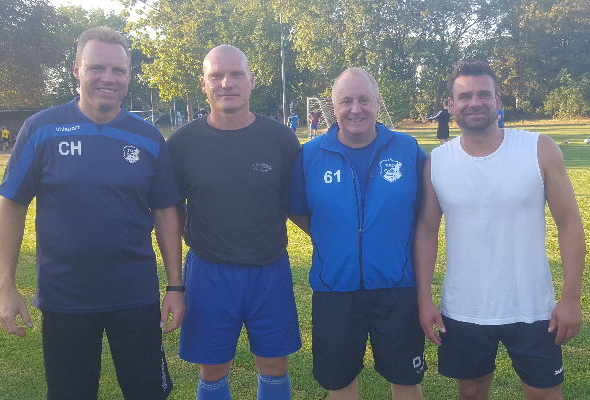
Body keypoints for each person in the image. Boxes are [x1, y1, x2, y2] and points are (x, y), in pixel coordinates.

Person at [0, 26, 184, 400]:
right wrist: (6, 287)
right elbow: (12, 206)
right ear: (76, 70)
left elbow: (165, 213)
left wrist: (175, 287)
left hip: (134, 296)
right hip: (66, 298)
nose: (108, 79)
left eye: (119, 70)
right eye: (97, 68)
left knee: (148, 392)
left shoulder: (148, 138)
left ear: (129, 76)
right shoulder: (41, 129)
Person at [414, 61, 585, 400]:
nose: (474, 102)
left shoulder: (539, 148)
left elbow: (569, 224)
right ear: (450, 105)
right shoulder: (438, 161)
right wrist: (423, 298)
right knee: (472, 393)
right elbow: (426, 230)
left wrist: (571, 298)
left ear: (498, 100)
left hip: (534, 307)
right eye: (464, 96)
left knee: (545, 394)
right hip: (464, 308)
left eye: (483, 94)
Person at [167, 45, 302, 400]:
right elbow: (170, 211)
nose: (227, 83)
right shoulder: (182, 143)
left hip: (269, 269)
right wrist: (175, 284)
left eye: (236, 74)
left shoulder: (280, 139)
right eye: (216, 75)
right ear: (203, 84)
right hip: (209, 272)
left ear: (251, 81)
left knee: (274, 366)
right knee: (212, 369)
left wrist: (334, 241)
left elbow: (298, 205)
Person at [289, 68, 427, 400]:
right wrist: (335, 237)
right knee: (339, 382)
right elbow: (296, 208)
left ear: (378, 103)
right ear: (332, 107)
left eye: (364, 99)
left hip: (397, 286)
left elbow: (426, 213)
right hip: (335, 287)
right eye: (346, 101)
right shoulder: (310, 155)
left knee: (406, 380)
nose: (355, 109)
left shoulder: (407, 150)